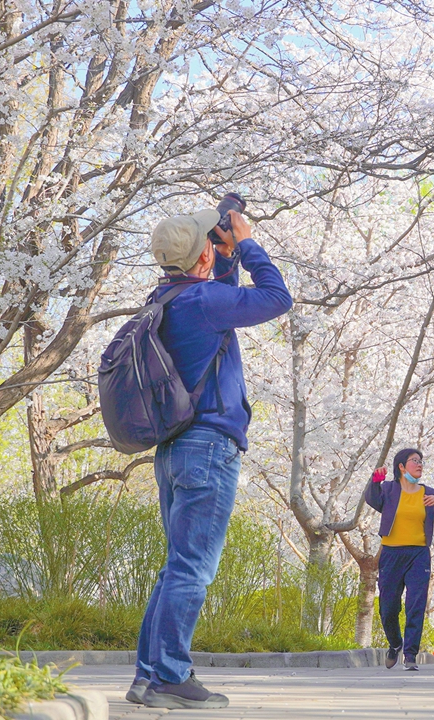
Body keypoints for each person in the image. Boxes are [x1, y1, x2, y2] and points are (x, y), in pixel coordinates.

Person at [131, 208, 292, 709]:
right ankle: (171, 676)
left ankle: (147, 677)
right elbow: (276, 298)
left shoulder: (169, 297)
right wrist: (245, 244)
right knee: (192, 569)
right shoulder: (203, 299)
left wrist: (222, 258)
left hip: (176, 447)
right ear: (202, 252)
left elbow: (222, 297)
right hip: (209, 447)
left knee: (175, 566)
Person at [364, 449, 434, 671]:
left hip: (418, 555)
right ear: (401, 467)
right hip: (391, 554)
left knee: (416, 604)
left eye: (421, 461)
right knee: (388, 607)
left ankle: (410, 655)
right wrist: (375, 481)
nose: (419, 464)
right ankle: (395, 644)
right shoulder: (389, 489)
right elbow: (373, 500)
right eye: (414, 461)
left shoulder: (428, 492)